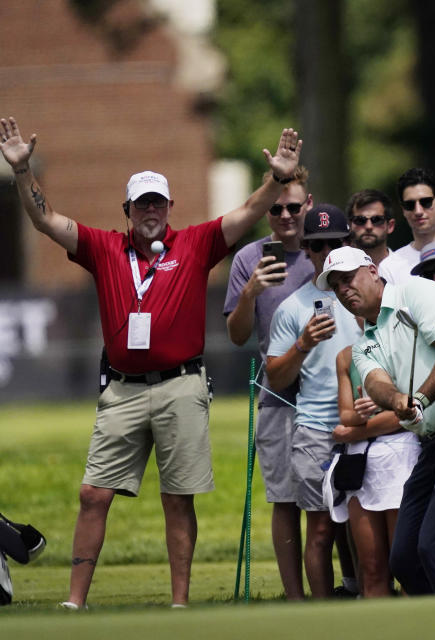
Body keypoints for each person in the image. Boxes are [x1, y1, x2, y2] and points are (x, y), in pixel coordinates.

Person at [0, 117, 302, 608]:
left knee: (177, 498)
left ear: (170, 207)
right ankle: (74, 600)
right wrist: (22, 171)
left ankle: (180, 603)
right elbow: (45, 220)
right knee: (93, 493)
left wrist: (278, 178)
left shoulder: (196, 243)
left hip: (180, 385)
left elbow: (249, 211)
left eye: (158, 203)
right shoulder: (103, 247)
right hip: (121, 389)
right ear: (128, 210)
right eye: (142, 204)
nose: (151, 212)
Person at [318, 246, 435, 595]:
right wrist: (397, 401)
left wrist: (418, 399)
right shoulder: (364, 344)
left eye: (348, 278)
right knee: (404, 557)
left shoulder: (417, 292)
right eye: (335, 286)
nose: (344, 289)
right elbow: (377, 383)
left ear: (373, 271)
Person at [223, 166, 316, 599]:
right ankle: (295, 597)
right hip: (278, 395)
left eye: (293, 206)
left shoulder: (328, 250)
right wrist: (249, 294)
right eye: (275, 208)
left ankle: (349, 586)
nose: (284, 215)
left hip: (330, 395)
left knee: (335, 499)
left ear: (308, 205)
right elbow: (237, 335)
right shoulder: (249, 258)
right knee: (285, 499)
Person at [264, 204, 362, 598]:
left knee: (366, 525)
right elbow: (276, 377)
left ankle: (373, 600)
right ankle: (320, 615)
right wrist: (303, 344)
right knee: (320, 529)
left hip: (366, 427)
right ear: (305, 248)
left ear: (348, 244)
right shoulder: (291, 307)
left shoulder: (367, 295)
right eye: (318, 245)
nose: (326, 252)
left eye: (335, 243)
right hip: (316, 429)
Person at [325, 346, 421, 597]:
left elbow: (408, 413)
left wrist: (356, 430)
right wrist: (363, 413)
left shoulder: (405, 346)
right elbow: (345, 414)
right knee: (371, 567)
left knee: (405, 564)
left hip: (401, 458)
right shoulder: (345, 355)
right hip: (361, 462)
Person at [377, 168, 435, 285]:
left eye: (426, 202)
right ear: (403, 210)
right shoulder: (389, 267)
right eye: (409, 205)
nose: (418, 211)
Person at [346, 189, 395, 267]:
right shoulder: (338, 271)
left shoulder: (407, 269)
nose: (369, 226)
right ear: (350, 225)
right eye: (360, 220)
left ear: (390, 226)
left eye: (377, 220)